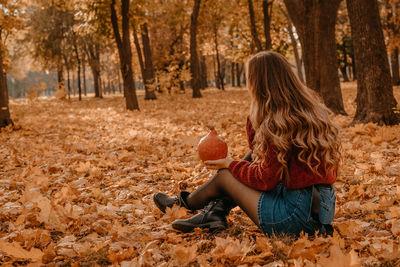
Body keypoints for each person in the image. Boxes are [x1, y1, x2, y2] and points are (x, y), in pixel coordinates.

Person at [153, 51, 340, 237]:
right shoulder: (307, 112)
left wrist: (230, 163)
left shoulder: (275, 122)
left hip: (295, 218)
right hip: (319, 210)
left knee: (225, 176)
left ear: (257, 83)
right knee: (242, 164)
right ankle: (213, 213)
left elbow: (265, 179)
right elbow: (261, 158)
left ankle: (186, 205)